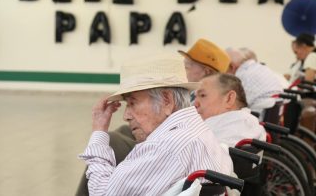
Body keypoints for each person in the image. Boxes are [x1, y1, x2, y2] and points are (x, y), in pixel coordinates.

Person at [78, 53, 233, 196]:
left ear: (167, 100)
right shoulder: (196, 128)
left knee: (109, 142)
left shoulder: (163, 148)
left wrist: (99, 130)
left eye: (133, 103)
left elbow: (102, 193)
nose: (126, 115)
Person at [194, 73, 266, 147]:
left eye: (202, 95)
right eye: (195, 97)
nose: (195, 104)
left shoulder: (238, 127)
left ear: (229, 99)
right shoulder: (243, 124)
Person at [226, 47, 283, 118]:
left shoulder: (241, 76)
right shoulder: (260, 67)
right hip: (272, 115)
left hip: (257, 118)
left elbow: (234, 106)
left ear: (232, 66)